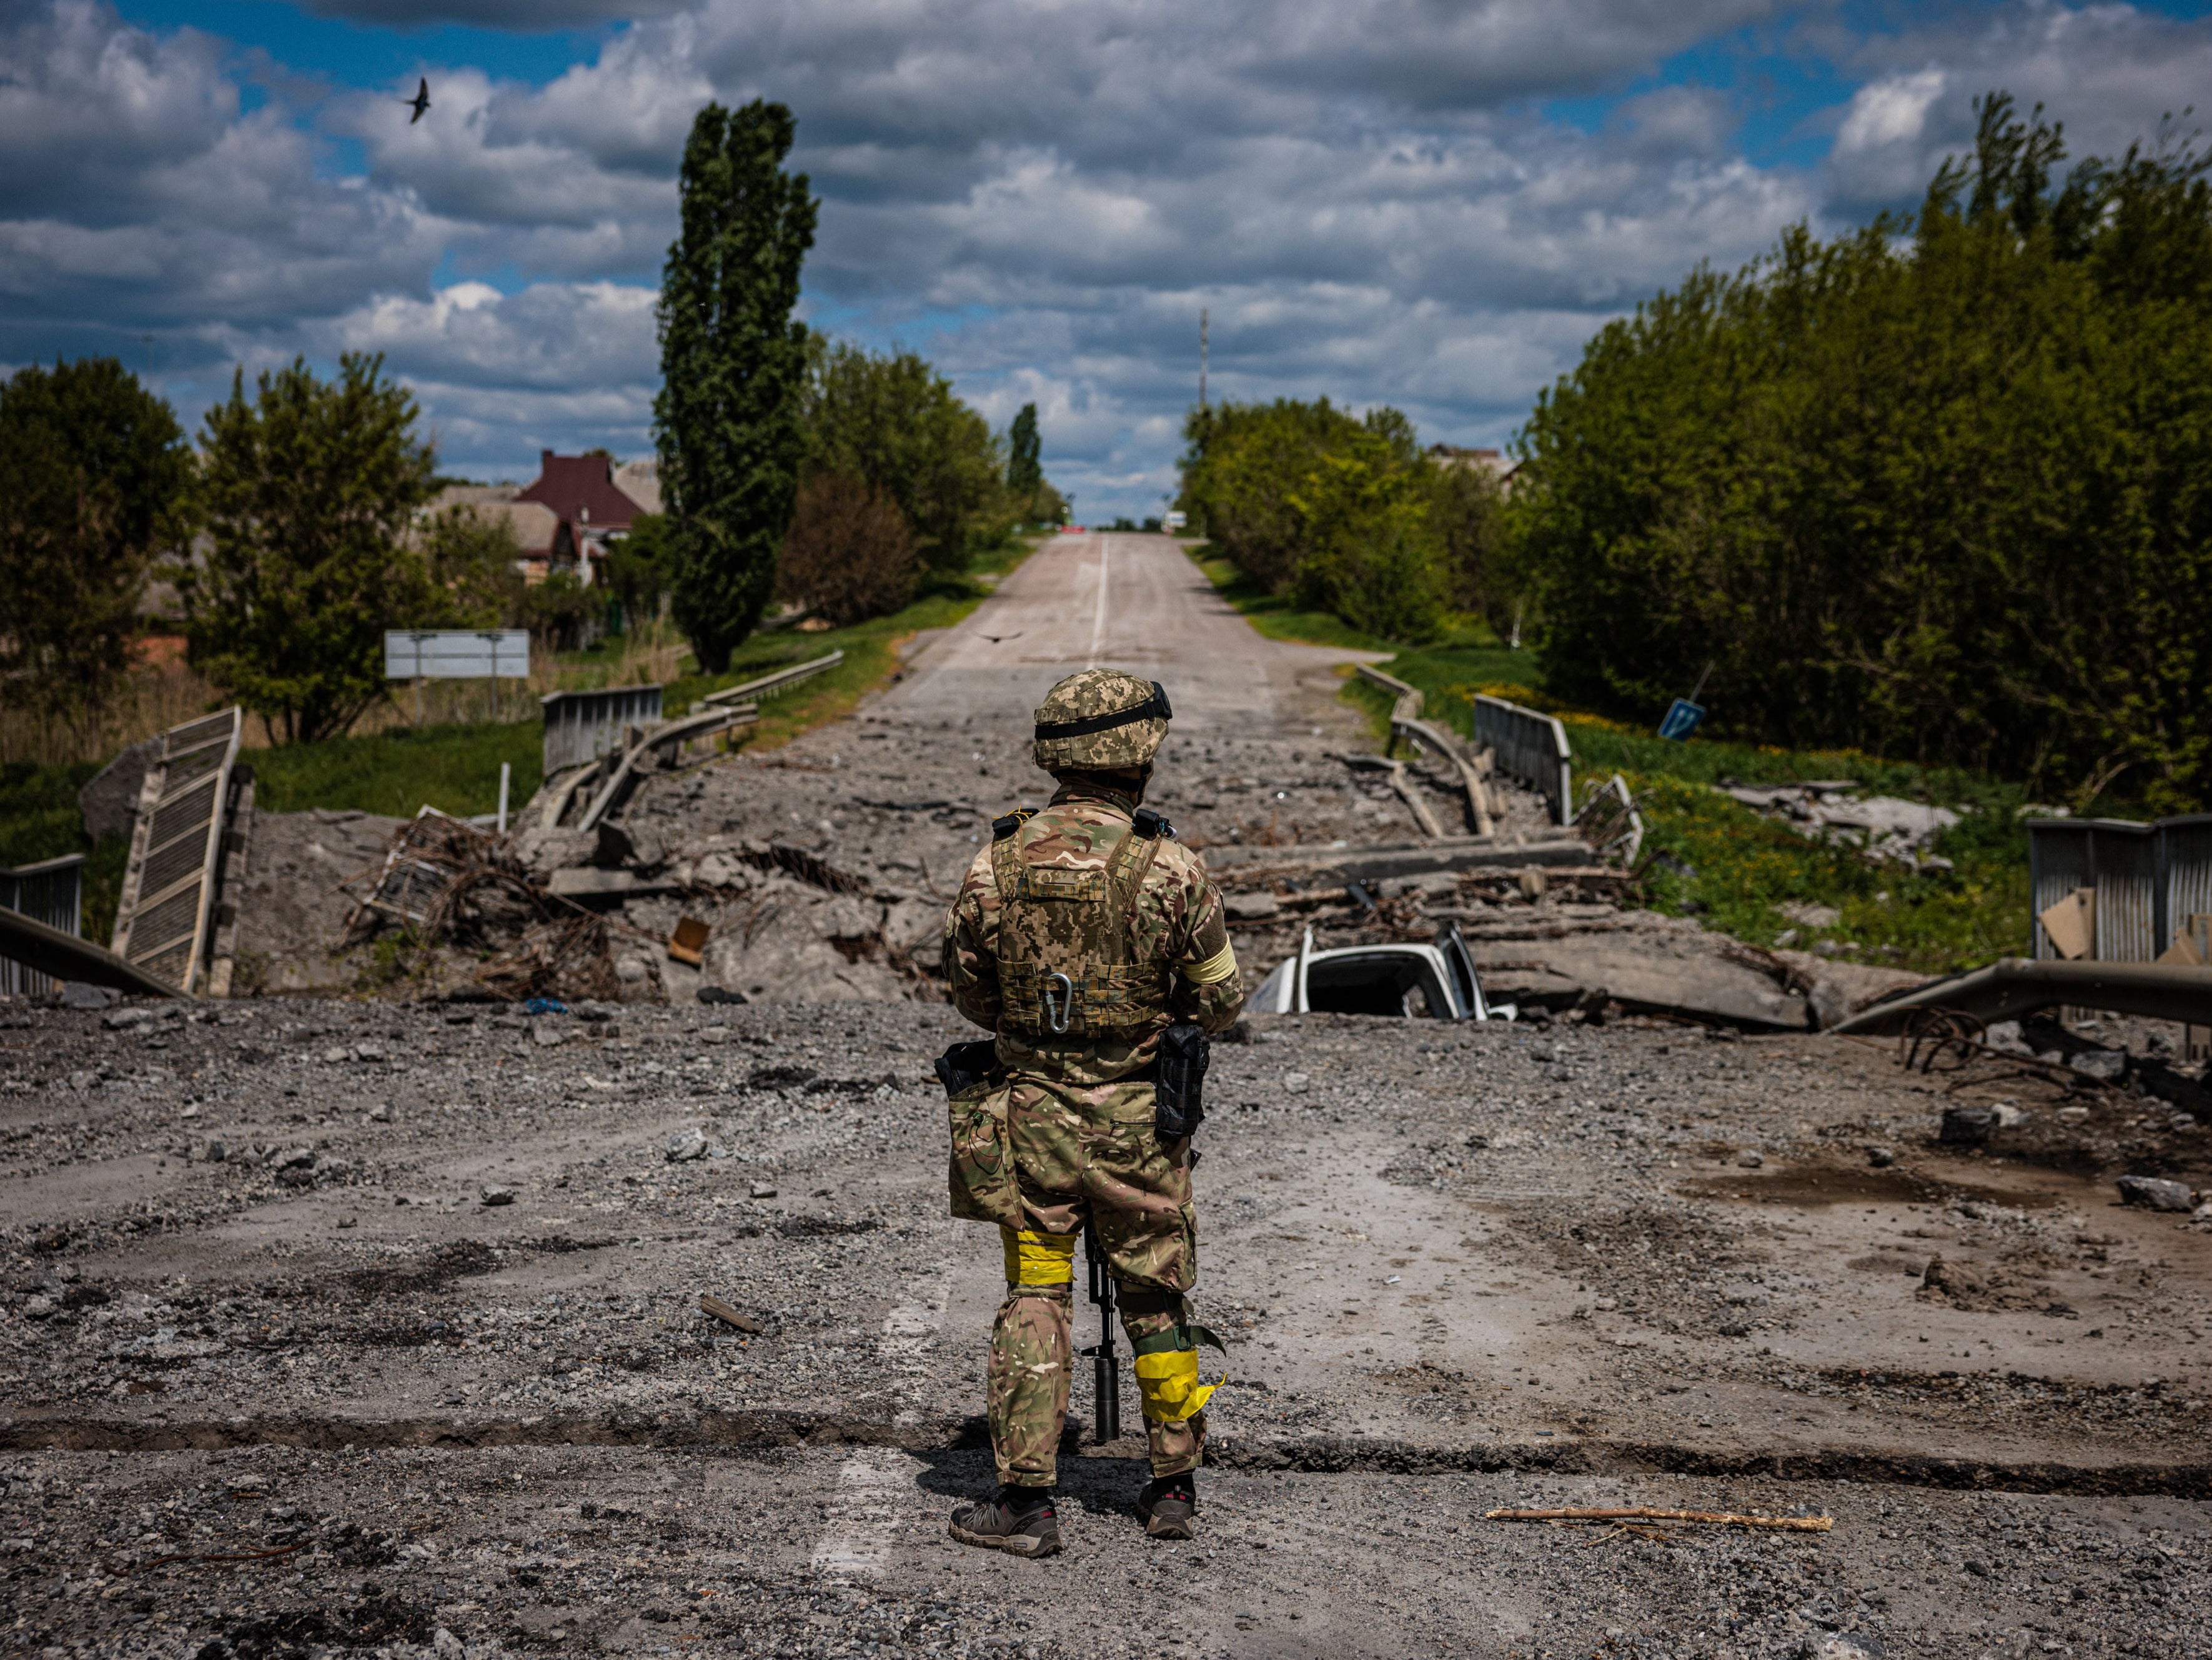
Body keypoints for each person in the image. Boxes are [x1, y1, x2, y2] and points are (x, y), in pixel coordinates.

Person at [938, 668, 1246, 1556]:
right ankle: (1172, 1486)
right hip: (1142, 1129)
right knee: (1155, 1293)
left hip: (1031, 1120)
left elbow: (968, 992)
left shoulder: (995, 861)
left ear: (1055, 752)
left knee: (1036, 1289)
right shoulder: (1169, 865)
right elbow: (1221, 1002)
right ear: (1140, 754)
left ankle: (1026, 1502)